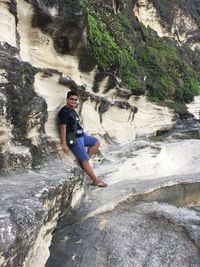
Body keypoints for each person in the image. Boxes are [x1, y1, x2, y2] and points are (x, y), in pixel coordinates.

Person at [58, 91, 108, 187]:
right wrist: (64, 143)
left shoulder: (72, 110)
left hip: (81, 136)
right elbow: (62, 127)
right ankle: (95, 180)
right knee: (84, 160)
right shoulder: (64, 112)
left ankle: (85, 162)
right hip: (74, 139)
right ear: (67, 99)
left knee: (96, 142)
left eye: (75, 100)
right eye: (71, 99)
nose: (73, 101)